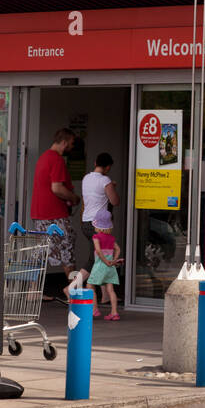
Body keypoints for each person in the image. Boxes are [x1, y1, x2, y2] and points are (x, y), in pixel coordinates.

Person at [66, 153, 120, 303]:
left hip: (85, 222)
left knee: (100, 257)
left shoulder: (86, 178)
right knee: (94, 259)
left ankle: (105, 296)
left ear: (95, 162)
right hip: (98, 226)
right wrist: (112, 187)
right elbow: (114, 201)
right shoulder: (105, 180)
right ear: (108, 167)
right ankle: (71, 287)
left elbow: (93, 196)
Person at [30, 128, 79, 290]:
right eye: (71, 144)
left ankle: (32, 290)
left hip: (40, 213)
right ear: (64, 143)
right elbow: (57, 188)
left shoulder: (43, 158)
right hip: (55, 214)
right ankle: (74, 288)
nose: (72, 147)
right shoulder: (57, 160)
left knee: (41, 253)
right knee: (67, 250)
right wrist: (73, 198)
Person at [87, 216, 121, 321]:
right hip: (110, 267)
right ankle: (114, 313)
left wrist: (105, 261)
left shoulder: (96, 237)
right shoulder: (111, 238)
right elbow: (118, 249)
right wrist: (113, 260)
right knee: (110, 289)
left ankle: (94, 309)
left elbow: (98, 250)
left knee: (90, 285)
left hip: (100, 265)